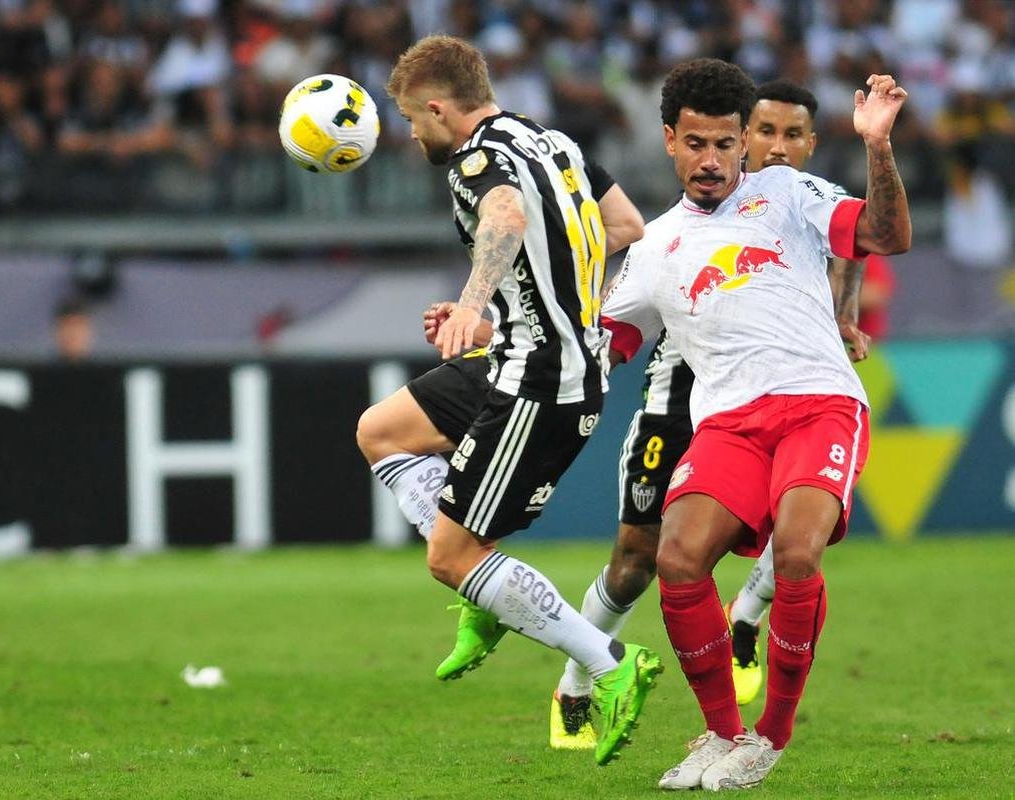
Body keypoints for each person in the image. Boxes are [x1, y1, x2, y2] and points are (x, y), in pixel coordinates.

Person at [599, 58, 909, 790]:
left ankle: (768, 736)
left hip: (816, 404)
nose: (711, 160)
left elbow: (885, 235)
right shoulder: (652, 247)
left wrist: (877, 145)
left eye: (725, 144)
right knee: (674, 560)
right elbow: (604, 344)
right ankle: (719, 732)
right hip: (728, 424)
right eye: (695, 143)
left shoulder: (789, 191)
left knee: (798, 554)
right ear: (670, 141)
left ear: (745, 143)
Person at [365, 34, 659, 766]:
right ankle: (483, 593)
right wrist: (525, 311)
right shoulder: (550, 140)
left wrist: (472, 302)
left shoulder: (474, 160)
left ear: (438, 108)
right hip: (519, 351)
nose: (410, 133)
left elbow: (503, 216)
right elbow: (624, 228)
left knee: (449, 553)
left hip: (542, 382)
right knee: (383, 431)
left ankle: (609, 663)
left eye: (410, 119)